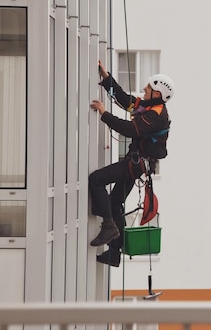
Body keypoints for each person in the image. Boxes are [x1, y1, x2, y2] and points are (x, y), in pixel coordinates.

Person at [89, 59, 173, 267]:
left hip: (134, 165)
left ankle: (109, 225)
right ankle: (114, 252)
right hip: (136, 164)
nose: (144, 88)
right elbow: (126, 100)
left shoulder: (157, 115)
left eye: (149, 87)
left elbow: (131, 130)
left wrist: (104, 114)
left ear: (158, 93)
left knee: (96, 179)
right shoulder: (149, 107)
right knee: (115, 202)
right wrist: (106, 78)